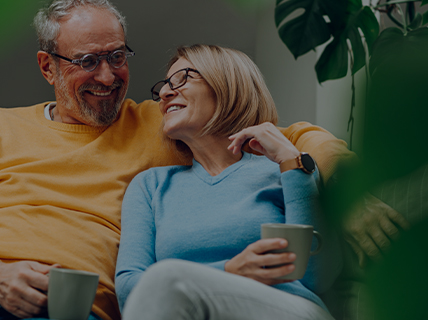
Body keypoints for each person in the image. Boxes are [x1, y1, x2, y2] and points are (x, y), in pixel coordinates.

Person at [0, 1, 367, 320]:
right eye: (86, 61)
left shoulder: (160, 122)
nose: (107, 76)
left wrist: (337, 169)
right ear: (47, 67)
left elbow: (283, 132)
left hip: (61, 309)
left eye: (117, 56)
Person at [115, 44, 342, 319]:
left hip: (287, 308)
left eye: (184, 78)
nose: (164, 93)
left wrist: (293, 163)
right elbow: (130, 290)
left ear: (227, 85)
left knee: (167, 278)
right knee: (166, 280)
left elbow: (317, 278)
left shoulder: (288, 171)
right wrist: (229, 271)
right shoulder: (150, 186)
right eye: (163, 86)